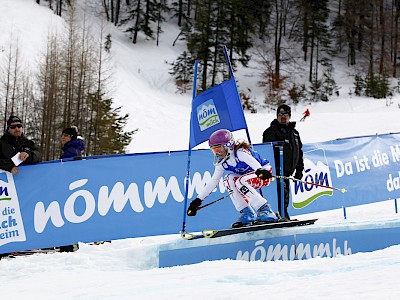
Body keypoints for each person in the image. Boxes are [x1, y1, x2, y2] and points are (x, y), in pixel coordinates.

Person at [187, 129, 278, 228]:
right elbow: (213, 182)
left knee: (240, 181)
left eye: (219, 149)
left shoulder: (240, 153)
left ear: (229, 145)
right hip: (247, 177)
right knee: (228, 180)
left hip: (264, 173)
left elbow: (254, 163)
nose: (218, 153)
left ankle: (265, 210)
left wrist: (260, 170)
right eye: (214, 150)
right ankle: (247, 212)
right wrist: (198, 200)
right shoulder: (222, 162)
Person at [0, 115, 41, 260]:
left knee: (28, 213)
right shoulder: (2, 142)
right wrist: (8, 167)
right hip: (7, 187)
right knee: (7, 214)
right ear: (8, 128)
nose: (17, 129)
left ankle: (27, 243)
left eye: (19, 126)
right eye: (13, 126)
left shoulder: (28, 143)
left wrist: (28, 154)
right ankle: (6, 246)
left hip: (27, 186)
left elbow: (38, 155)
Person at [262, 104, 304, 220]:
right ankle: (281, 216)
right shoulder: (270, 132)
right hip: (275, 173)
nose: (283, 117)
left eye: (285, 114)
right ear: (277, 116)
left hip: (287, 173)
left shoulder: (294, 133)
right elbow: (266, 152)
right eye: (280, 114)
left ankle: (283, 216)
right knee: (279, 196)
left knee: (285, 197)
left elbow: (299, 153)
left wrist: (299, 171)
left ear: (289, 116)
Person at [59, 126, 86, 253]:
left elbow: (69, 170)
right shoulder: (73, 149)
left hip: (70, 187)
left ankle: (69, 246)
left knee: (68, 215)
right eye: (62, 135)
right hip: (72, 187)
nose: (62, 138)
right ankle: (69, 245)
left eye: (65, 135)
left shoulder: (71, 150)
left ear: (71, 137)